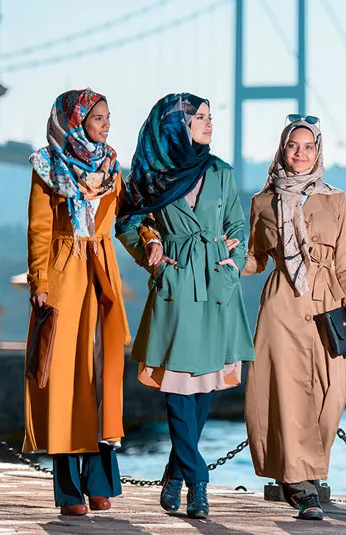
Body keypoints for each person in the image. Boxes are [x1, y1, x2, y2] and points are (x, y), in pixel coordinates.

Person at [116, 93, 254, 519]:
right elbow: (128, 221)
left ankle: (175, 474)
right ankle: (198, 482)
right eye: (199, 118)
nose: (209, 124)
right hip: (176, 285)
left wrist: (232, 264)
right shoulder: (152, 174)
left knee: (203, 392)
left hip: (216, 285)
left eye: (211, 118)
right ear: (176, 126)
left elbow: (237, 224)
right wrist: (152, 249)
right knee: (178, 390)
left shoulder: (220, 171)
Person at [24, 89, 156, 516]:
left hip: (102, 276)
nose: (105, 124)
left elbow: (127, 218)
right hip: (63, 276)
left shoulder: (112, 166)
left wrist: (151, 241)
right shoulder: (46, 165)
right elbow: (39, 229)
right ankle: (67, 492)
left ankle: (100, 482)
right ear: (75, 121)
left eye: (107, 117)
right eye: (97, 117)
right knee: (65, 382)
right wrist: (40, 281)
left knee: (101, 378)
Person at [243, 115, 346, 520]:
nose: (300, 154)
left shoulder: (336, 199)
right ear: (282, 149)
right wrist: (222, 260)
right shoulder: (262, 201)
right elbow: (256, 258)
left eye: (308, 146)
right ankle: (301, 486)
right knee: (289, 394)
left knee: (334, 390)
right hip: (281, 303)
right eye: (293, 146)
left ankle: (305, 472)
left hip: (328, 303)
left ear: (318, 151)